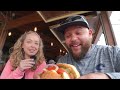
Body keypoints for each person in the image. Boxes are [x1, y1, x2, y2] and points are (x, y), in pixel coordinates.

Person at [56, 15, 120, 79]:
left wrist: (107, 77)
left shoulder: (113, 53)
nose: (73, 39)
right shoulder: (62, 62)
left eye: (78, 33)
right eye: (68, 36)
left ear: (90, 33)